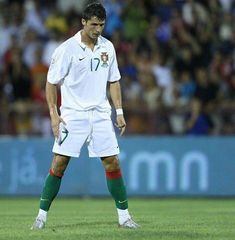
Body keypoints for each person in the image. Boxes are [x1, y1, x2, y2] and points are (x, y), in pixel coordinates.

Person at [31, 2, 139, 230]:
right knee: (59, 164)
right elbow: (51, 84)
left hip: (100, 115)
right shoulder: (66, 49)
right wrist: (54, 114)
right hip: (73, 116)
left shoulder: (107, 48)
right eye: (93, 24)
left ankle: (125, 218)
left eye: (101, 25)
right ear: (83, 22)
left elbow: (114, 80)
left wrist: (119, 112)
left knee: (112, 163)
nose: (97, 30)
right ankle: (41, 217)